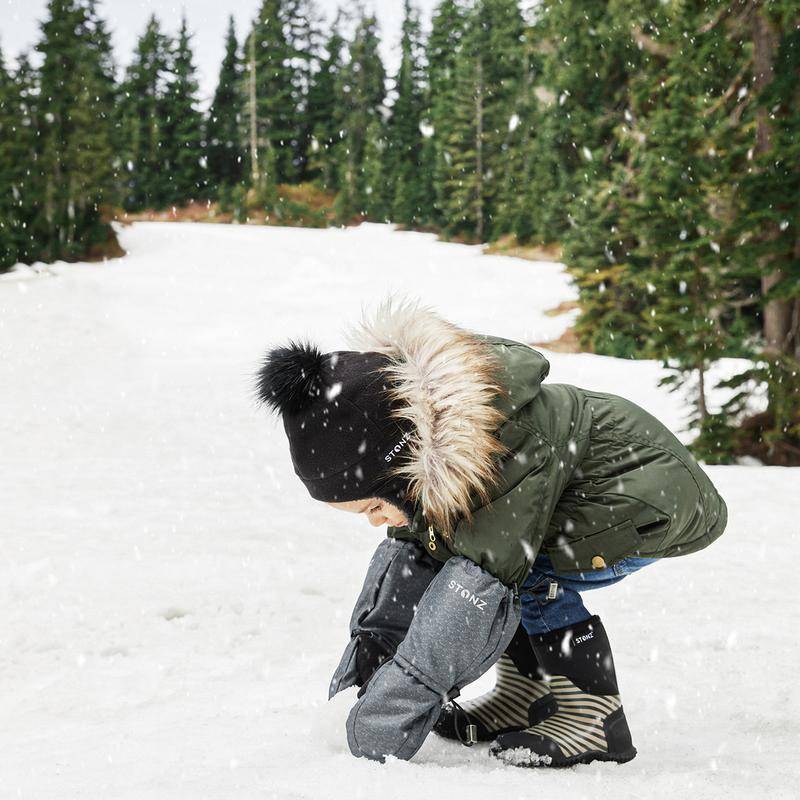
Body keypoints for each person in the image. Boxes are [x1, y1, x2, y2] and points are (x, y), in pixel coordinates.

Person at [255, 297, 728, 768]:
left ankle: (595, 718)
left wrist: (391, 715)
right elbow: (413, 563)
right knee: (481, 559)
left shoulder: (500, 448)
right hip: (593, 495)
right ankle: (524, 694)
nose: (375, 521)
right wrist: (369, 664)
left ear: (403, 465)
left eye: (375, 506)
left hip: (647, 498)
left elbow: (476, 587)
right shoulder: (433, 450)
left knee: (514, 574)